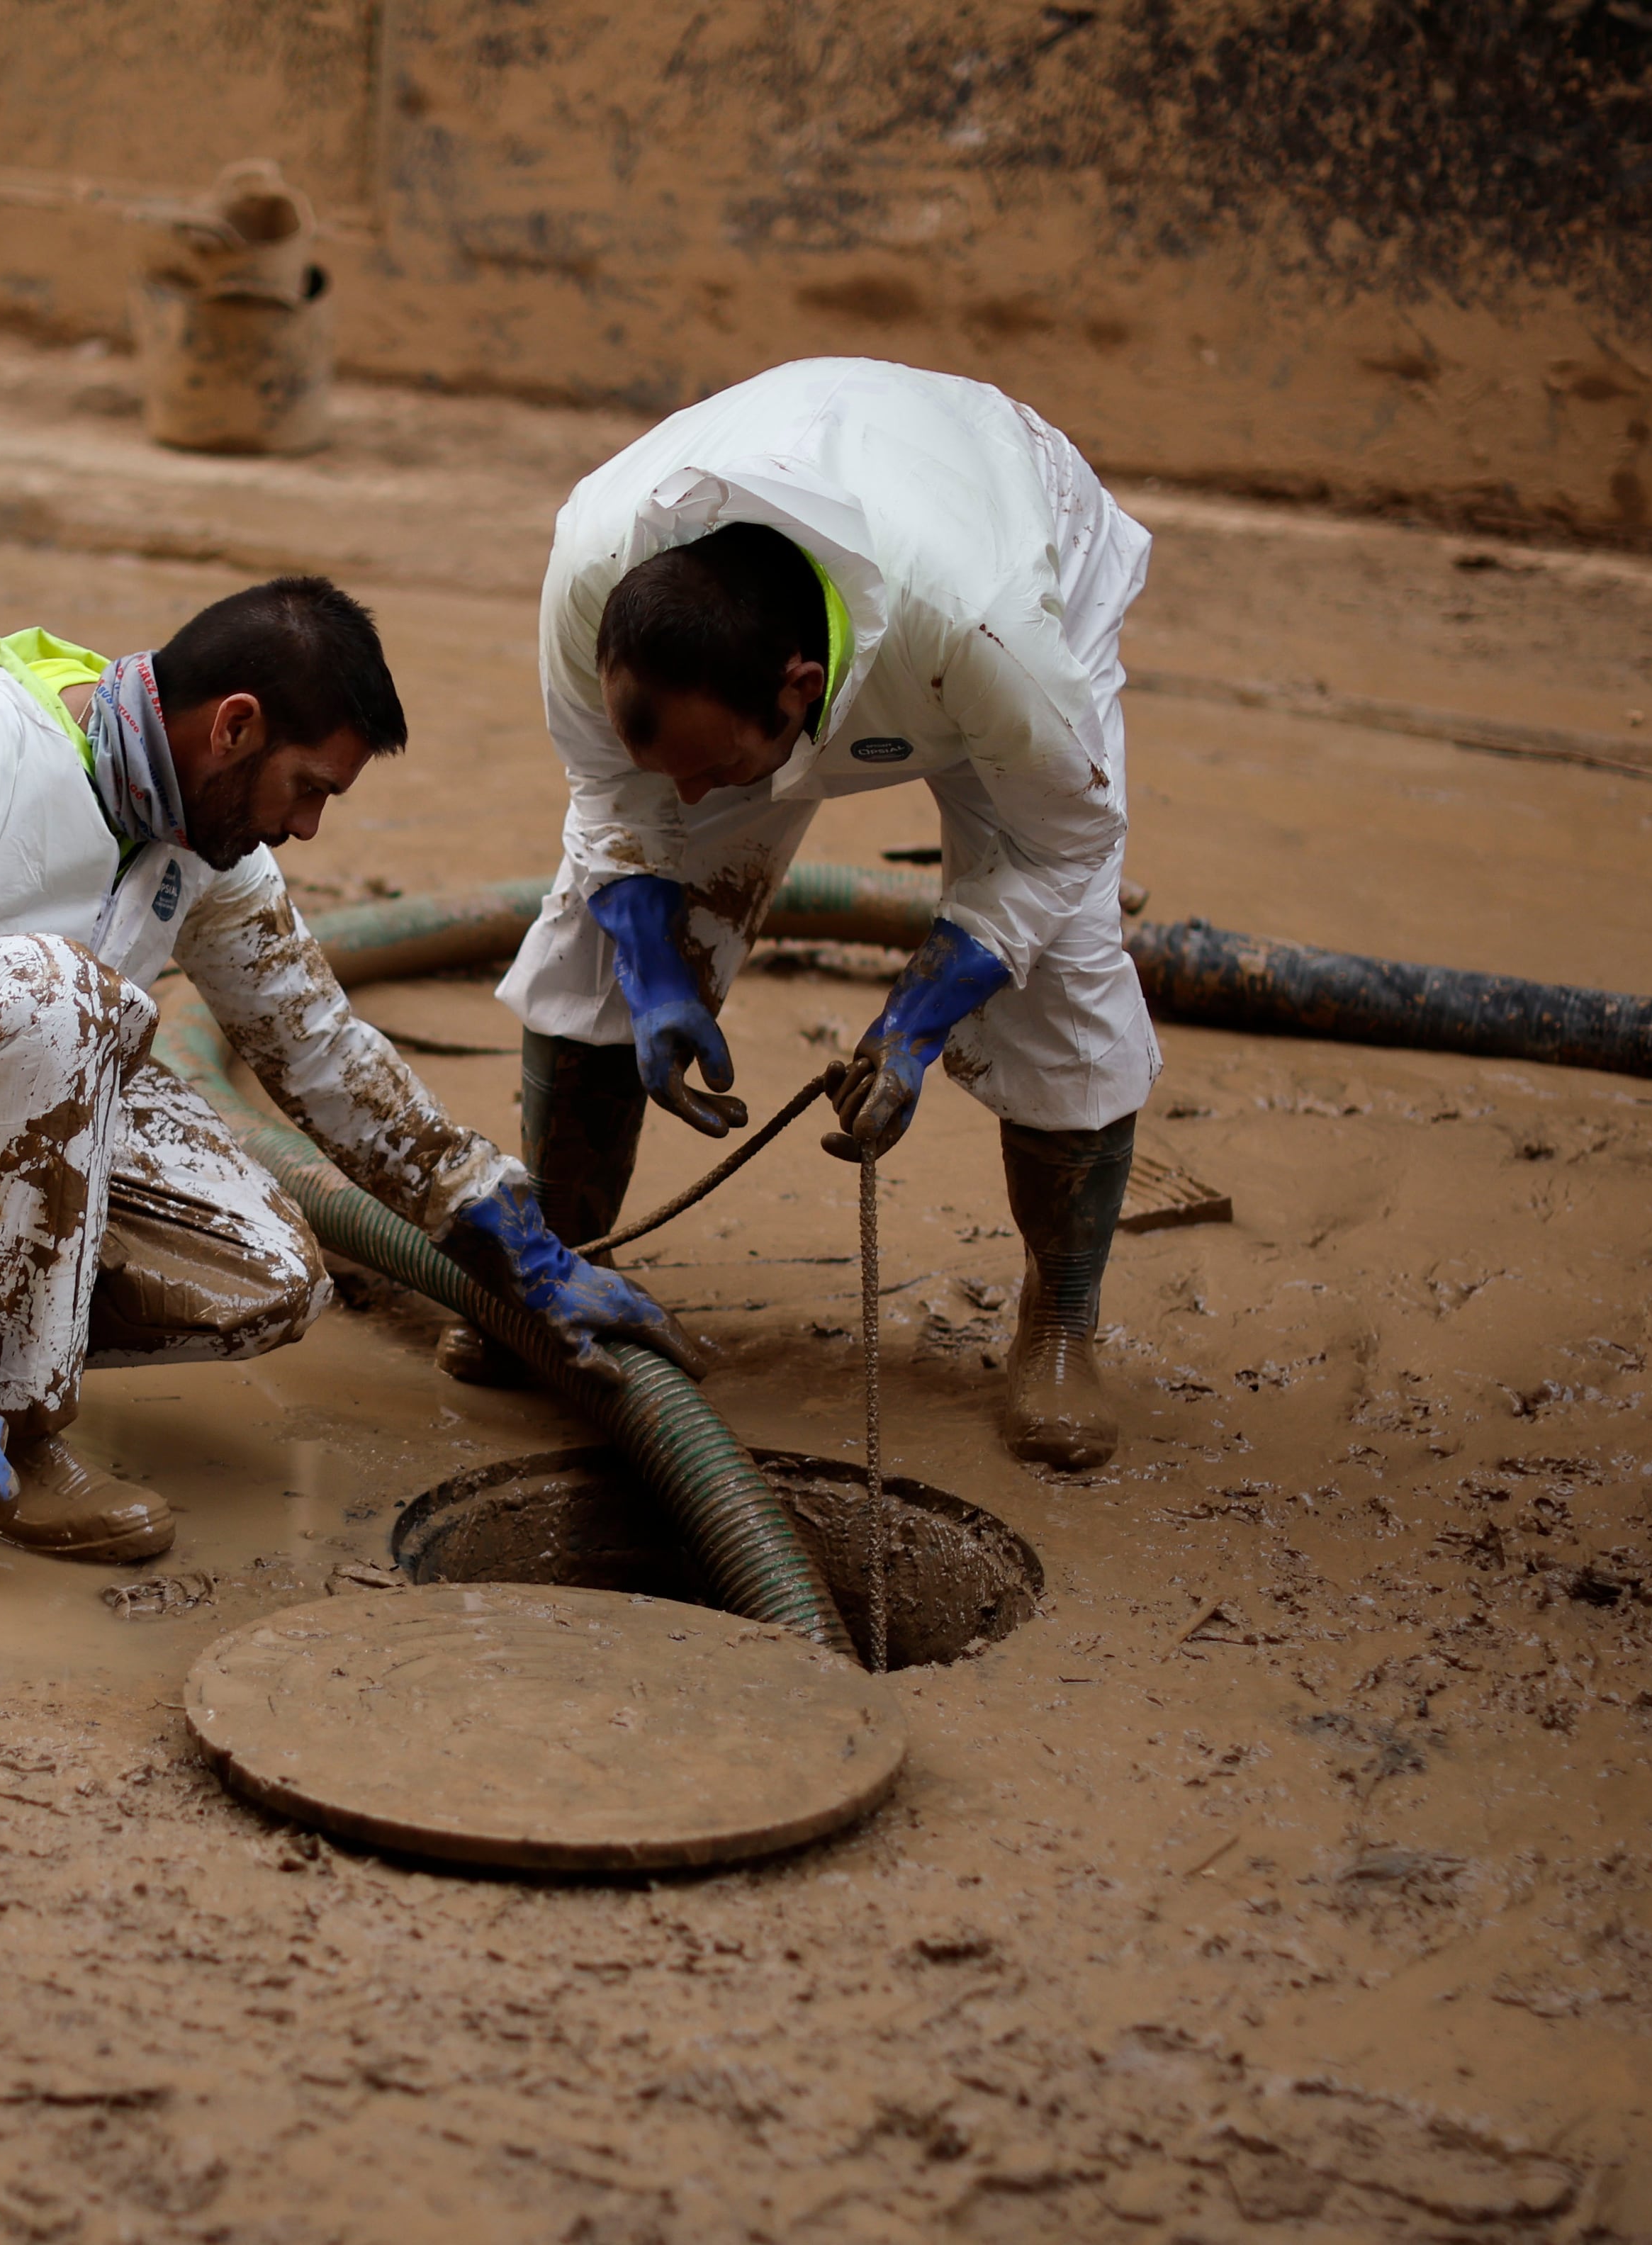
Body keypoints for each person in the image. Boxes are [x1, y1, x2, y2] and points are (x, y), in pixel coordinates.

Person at [0, 578, 701, 1562]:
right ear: (234, 726)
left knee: (264, 1274)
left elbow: (321, 1048)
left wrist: (521, 1247)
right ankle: (4, 1422)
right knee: (59, 997)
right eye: (308, 786)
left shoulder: (200, 838)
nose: (311, 827)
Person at [472, 357, 1157, 1470]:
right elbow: (620, 796)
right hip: (823, 584)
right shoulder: (593, 573)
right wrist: (653, 971)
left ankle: (1064, 1323)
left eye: (716, 768)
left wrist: (919, 1021)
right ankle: (555, 1264)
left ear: (800, 690)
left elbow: (1063, 840)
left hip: (1001, 563)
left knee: (1062, 967)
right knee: (588, 937)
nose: (695, 799)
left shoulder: (990, 634)